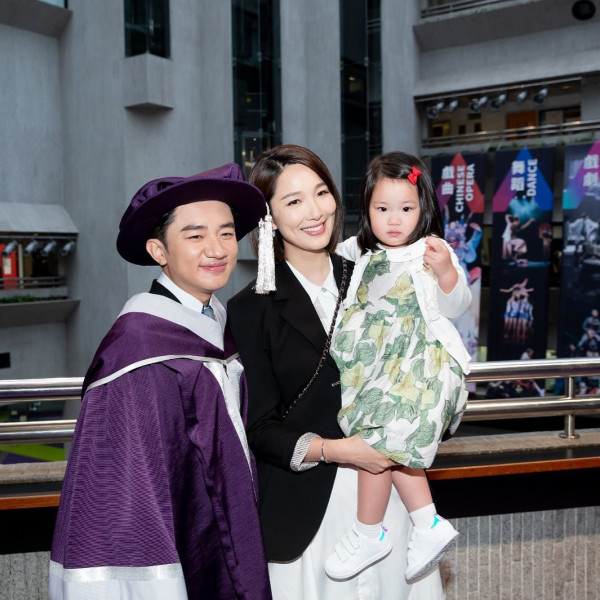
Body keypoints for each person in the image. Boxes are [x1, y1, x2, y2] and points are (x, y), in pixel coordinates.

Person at [227, 145, 444, 599]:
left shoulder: (375, 275)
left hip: (390, 502)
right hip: (309, 514)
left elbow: (423, 360)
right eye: (294, 201)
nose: (315, 211)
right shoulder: (250, 308)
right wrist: (336, 450)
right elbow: (258, 427)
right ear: (269, 218)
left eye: (321, 192)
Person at [50, 164, 272, 600]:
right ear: (159, 250)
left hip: (224, 535)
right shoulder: (138, 347)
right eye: (195, 236)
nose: (217, 249)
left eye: (226, 233)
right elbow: (123, 492)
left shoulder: (216, 324)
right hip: (180, 553)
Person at [326, 151, 471, 583]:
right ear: (366, 209)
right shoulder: (355, 251)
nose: (394, 220)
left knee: (380, 440)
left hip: (420, 366)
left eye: (406, 209)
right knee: (388, 446)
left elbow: (457, 305)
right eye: (382, 209)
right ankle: (426, 522)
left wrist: (445, 272)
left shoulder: (432, 250)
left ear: (423, 208)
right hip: (377, 370)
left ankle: (370, 531)